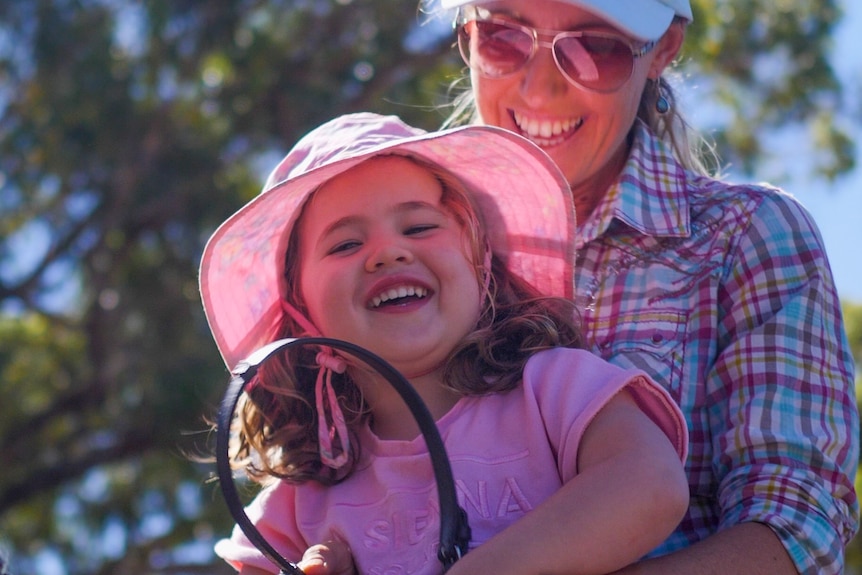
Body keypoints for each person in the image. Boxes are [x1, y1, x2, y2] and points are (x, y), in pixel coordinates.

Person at [426, 0, 861, 573]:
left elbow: (795, 526)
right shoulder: (405, 248)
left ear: (663, 49)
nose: (539, 88)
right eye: (502, 37)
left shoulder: (745, 236)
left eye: (593, 48)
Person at [199, 112, 690, 575]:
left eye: (419, 227)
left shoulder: (555, 388)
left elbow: (650, 484)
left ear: (482, 267)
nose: (388, 252)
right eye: (345, 244)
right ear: (301, 319)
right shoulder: (298, 500)